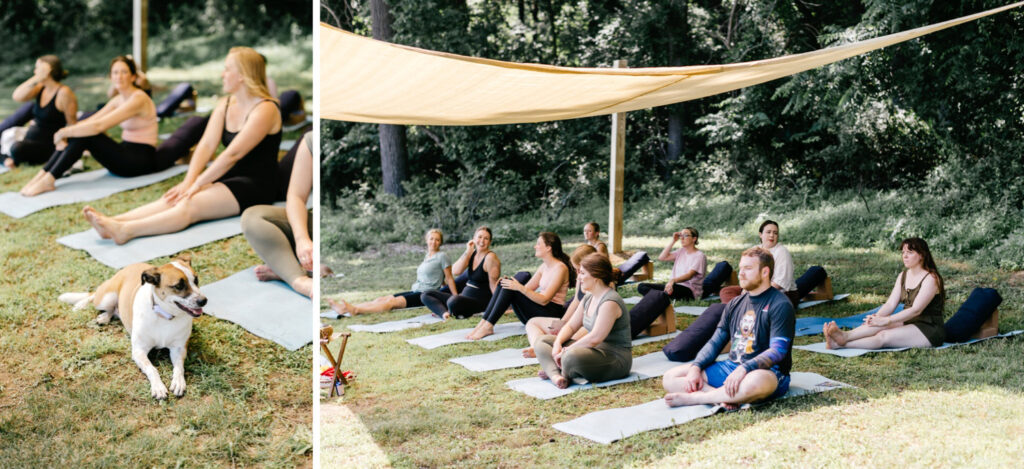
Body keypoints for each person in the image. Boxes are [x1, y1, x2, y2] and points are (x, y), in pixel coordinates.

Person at [81, 47, 283, 244]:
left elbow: (232, 154)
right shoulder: (226, 103)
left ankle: (125, 231)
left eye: (227, 69)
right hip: (228, 176)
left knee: (189, 203)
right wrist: (189, 181)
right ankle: (115, 220)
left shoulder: (265, 109)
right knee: (173, 196)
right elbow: (206, 145)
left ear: (242, 75)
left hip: (257, 185)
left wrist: (197, 184)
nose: (222, 74)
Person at [662, 247, 796, 407]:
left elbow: (778, 351)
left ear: (765, 272)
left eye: (748, 268)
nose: (741, 273)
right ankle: (722, 398)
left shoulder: (780, 304)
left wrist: (745, 368)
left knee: (755, 382)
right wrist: (696, 367)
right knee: (670, 377)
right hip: (731, 367)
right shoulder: (734, 304)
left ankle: (697, 398)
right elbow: (715, 342)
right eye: (741, 268)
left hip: (766, 372)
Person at [20, 56, 165, 196]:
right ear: (111, 77)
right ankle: (43, 175)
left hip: (141, 161)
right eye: (115, 72)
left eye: (124, 72)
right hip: (126, 152)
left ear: (133, 77)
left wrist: (65, 132)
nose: (119, 76)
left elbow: (99, 126)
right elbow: (91, 120)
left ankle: (49, 179)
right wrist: (67, 131)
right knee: (80, 131)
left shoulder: (138, 98)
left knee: (87, 134)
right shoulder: (118, 99)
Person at [825, 237, 945, 349]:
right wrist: (876, 318)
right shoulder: (903, 275)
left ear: (922, 255)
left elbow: (916, 310)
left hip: (929, 329)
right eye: (903, 252)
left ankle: (839, 345)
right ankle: (845, 336)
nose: (905, 256)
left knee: (883, 335)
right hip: (908, 321)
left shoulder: (931, 278)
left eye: (910, 252)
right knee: (876, 325)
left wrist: (887, 320)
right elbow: (890, 304)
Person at [534, 253, 632, 388]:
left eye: (582, 273)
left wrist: (565, 351)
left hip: (615, 358)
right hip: (592, 351)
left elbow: (595, 338)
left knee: (571, 356)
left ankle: (557, 371)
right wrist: (558, 343)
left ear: (596, 277)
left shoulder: (610, 302)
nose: (579, 278)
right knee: (542, 341)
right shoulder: (588, 297)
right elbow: (571, 327)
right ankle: (557, 375)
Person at [240, 132, 313, 297]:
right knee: (253, 218)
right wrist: (303, 240)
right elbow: (296, 197)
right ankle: (300, 280)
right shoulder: (311, 139)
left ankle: (287, 271)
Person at [466, 232, 573, 340]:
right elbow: (527, 288)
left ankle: (488, 326)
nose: (535, 246)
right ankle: (483, 324)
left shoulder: (560, 268)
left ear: (548, 248)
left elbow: (544, 300)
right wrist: (510, 284)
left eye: (538, 244)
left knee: (510, 286)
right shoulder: (544, 266)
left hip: (550, 314)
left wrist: (517, 287)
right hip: (536, 312)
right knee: (505, 283)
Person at [328, 229, 458, 315]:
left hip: (425, 294)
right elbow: (440, 279)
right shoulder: (427, 256)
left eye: (437, 239)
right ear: (426, 240)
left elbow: (449, 278)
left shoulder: (442, 256)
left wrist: (455, 298)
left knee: (391, 303)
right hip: (416, 290)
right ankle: (344, 309)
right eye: (431, 239)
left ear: (440, 242)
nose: (433, 242)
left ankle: (356, 310)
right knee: (382, 298)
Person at [3, 55, 78, 168]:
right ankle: (6, 160)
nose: (35, 71)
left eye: (37, 68)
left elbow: (72, 123)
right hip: (30, 139)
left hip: (48, 145)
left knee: (17, 148)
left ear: (47, 71)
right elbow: (17, 96)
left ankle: (8, 160)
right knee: (6, 135)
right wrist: (37, 78)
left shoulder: (64, 93)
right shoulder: (41, 88)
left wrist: (65, 146)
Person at [628, 227, 706, 336]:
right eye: (681, 236)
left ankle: (660, 298)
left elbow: (689, 275)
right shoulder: (681, 251)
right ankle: (662, 297)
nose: (682, 238)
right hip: (673, 286)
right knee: (641, 286)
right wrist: (673, 240)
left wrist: (672, 281)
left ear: (694, 239)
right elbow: (662, 257)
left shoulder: (699, 256)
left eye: (686, 235)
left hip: (689, 290)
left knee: (659, 291)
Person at [522, 244, 596, 357]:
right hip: (575, 322)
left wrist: (567, 328)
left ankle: (548, 348)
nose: (577, 274)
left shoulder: (601, 284)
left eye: (579, 269)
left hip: (588, 327)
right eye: (576, 269)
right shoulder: (580, 279)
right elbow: (575, 301)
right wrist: (563, 322)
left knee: (568, 338)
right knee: (532, 322)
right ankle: (537, 347)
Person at [420, 226, 502, 319]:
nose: (482, 241)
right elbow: (455, 271)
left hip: (479, 302)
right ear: (474, 239)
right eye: (479, 237)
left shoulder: (490, 258)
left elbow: (494, 285)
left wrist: (502, 307)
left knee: (454, 301)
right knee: (426, 294)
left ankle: (450, 309)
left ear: (490, 242)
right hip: (463, 299)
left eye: (486, 238)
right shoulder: (472, 253)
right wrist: (467, 251)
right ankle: (444, 314)